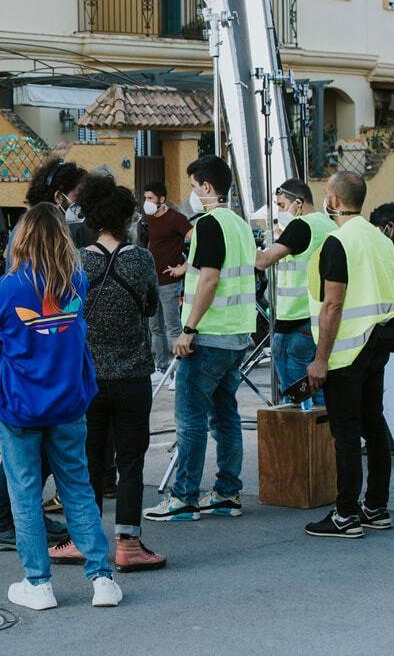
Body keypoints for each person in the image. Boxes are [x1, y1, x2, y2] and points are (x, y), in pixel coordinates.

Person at [0, 203, 122, 610]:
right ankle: (102, 580)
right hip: (69, 401)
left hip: (20, 404)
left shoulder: (7, 287)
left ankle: (38, 584)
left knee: (25, 495)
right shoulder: (76, 278)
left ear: (20, 237)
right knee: (77, 488)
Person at [144, 156, 254, 524]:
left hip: (209, 336)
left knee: (190, 419)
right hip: (237, 335)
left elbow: (209, 279)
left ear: (207, 188)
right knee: (226, 416)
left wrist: (188, 330)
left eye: (193, 186)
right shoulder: (239, 224)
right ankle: (226, 492)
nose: (191, 194)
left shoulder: (208, 224)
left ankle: (185, 496)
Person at [303, 171, 394, 539]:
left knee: (345, 433)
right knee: (373, 424)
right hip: (378, 342)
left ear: (333, 201)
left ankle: (345, 514)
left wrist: (320, 358)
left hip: (347, 351)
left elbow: (333, 304)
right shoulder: (380, 239)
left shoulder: (338, 242)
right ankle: (376, 507)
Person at [78, 174, 165, 572]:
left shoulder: (79, 260)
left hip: (89, 377)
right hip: (132, 376)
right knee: (130, 459)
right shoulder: (140, 259)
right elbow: (150, 307)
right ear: (126, 219)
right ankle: (129, 543)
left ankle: (86, 539)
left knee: (91, 460)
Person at [254, 179, 336, 406]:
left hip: (295, 323)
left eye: (281, 205)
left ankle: (301, 440)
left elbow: (263, 261)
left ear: (298, 203)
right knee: (319, 394)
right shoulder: (330, 226)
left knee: (296, 398)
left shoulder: (300, 226)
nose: (279, 211)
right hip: (319, 321)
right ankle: (324, 440)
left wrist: (240, 242)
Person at [139, 181, 191, 380]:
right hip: (152, 282)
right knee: (155, 328)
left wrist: (183, 267)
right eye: (145, 198)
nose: (147, 202)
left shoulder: (176, 218)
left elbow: (197, 239)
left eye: (150, 198)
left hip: (170, 283)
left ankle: (179, 373)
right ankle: (161, 368)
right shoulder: (149, 219)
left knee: (173, 327)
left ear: (162, 199)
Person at [25, 158, 90, 248]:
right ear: (58, 197)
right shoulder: (54, 235)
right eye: (80, 194)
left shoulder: (25, 227)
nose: (84, 200)